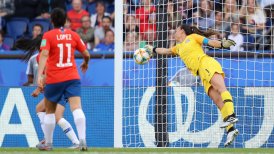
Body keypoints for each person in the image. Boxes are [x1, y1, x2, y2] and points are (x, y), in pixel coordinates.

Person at [145, 24, 239, 147]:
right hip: (201, 74)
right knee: (218, 102)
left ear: (182, 31)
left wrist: (222, 44)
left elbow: (210, 42)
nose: (174, 32)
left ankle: (231, 115)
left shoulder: (193, 37)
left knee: (222, 89)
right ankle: (231, 130)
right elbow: (166, 51)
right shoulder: (178, 48)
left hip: (206, 64)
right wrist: (152, 49)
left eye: (176, 30)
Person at [37, 8, 90, 151]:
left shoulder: (48, 35)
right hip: (72, 77)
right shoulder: (73, 35)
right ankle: (82, 140)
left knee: (49, 111)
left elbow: (44, 55)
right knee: (76, 108)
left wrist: (40, 75)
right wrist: (86, 62)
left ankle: (48, 143)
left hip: (55, 78)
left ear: (52, 21)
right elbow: (86, 53)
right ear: (65, 21)